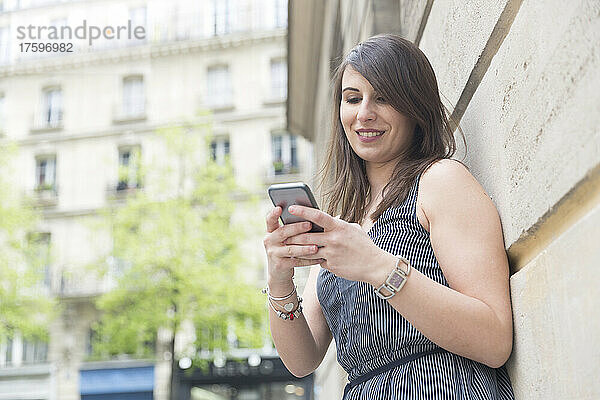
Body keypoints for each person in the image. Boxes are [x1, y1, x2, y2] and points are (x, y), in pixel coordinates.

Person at [262, 34, 514, 399]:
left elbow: (494, 339)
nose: (364, 113)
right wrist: (280, 280)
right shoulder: (342, 219)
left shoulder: (440, 181)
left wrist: (378, 266)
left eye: (383, 97)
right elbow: (302, 360)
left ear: (414, 106)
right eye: (353, 99)